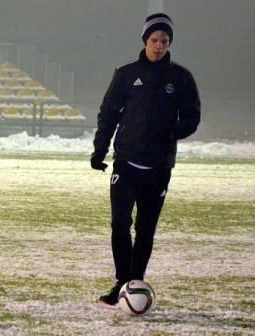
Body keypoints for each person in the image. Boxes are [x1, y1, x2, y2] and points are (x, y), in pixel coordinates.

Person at [91, 13, 200, 306]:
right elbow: (109, 113)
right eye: (154, 40)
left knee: (145, 229)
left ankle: (135, 280)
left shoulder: (181, 78)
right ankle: (121, 281)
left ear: (169, 44)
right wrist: (100, 149)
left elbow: (192, 117)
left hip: (159, 166)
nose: (159, 46)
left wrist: (171, 132)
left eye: (164, 41)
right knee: (119, 224)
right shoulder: (126, 74)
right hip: (126, 162)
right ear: (145, 40)